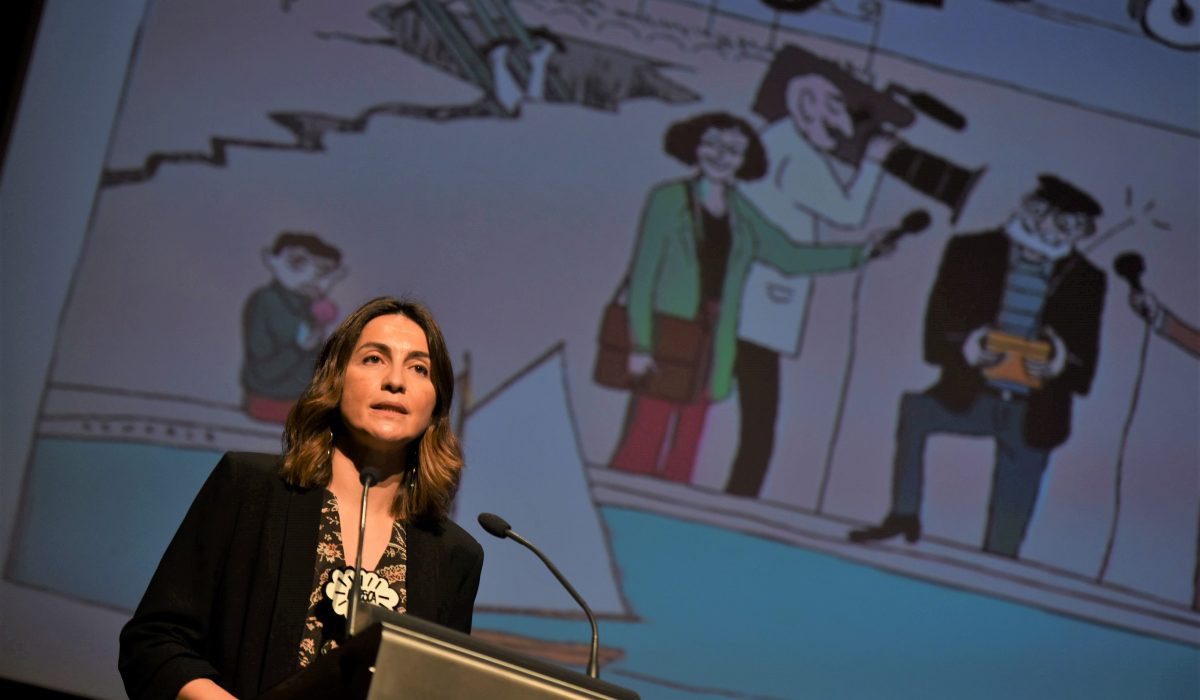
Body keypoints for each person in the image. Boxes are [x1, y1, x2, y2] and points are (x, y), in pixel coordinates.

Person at [120, 297, 484, 700]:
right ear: (335, 380)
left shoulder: (454, 556)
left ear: (436, 402)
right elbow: (153, 641)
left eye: (419, 368)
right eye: (373, 359)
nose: (395, 381)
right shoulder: (249, 488)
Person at [608, 111, 878, 483]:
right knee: (647, 428)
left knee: (691, 436)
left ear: (745, 160)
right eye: (713, 144)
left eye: (733, 150)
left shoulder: (742, 212)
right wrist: (640, 345)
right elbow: (643, 277)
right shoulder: (667, 199)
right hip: (670, 327)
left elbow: (789, 257)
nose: (721, 156)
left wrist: (860, 254)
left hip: (717, 332)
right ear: (695, 146)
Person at [849, 174, 1106, 558]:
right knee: (916, 412)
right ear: (1034, 210)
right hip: (969, 395)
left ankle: (1001, 555)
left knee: (1006, 538)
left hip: (1034, 410)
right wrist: (969, 346)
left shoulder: (1086, 278)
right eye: (1062, 222)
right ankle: (903, 515)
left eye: (1077, 227)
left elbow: (1085, 362)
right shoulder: (971, 250)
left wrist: (1056, 362)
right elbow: (936, 328)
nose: (1067, 234)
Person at [724, 45, 897, 498]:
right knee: (759, 418)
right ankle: (740, 498)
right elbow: (847, 213)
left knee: (751, 414)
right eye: (835, 105)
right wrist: (874, 162)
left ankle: (738, 494)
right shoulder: (793, 152)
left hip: (756, 301)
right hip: (758, 307)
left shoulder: (780, 142)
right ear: (807, 106)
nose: (843, 119)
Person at [241, 231, 345, 423]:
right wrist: (299, 348)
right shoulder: (265, 301)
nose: (310, 275)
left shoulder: (312, 307)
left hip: (306, 404)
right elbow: (262, 367)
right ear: (272, 260)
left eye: (322, 270)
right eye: (298, 263)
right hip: (271, 401)